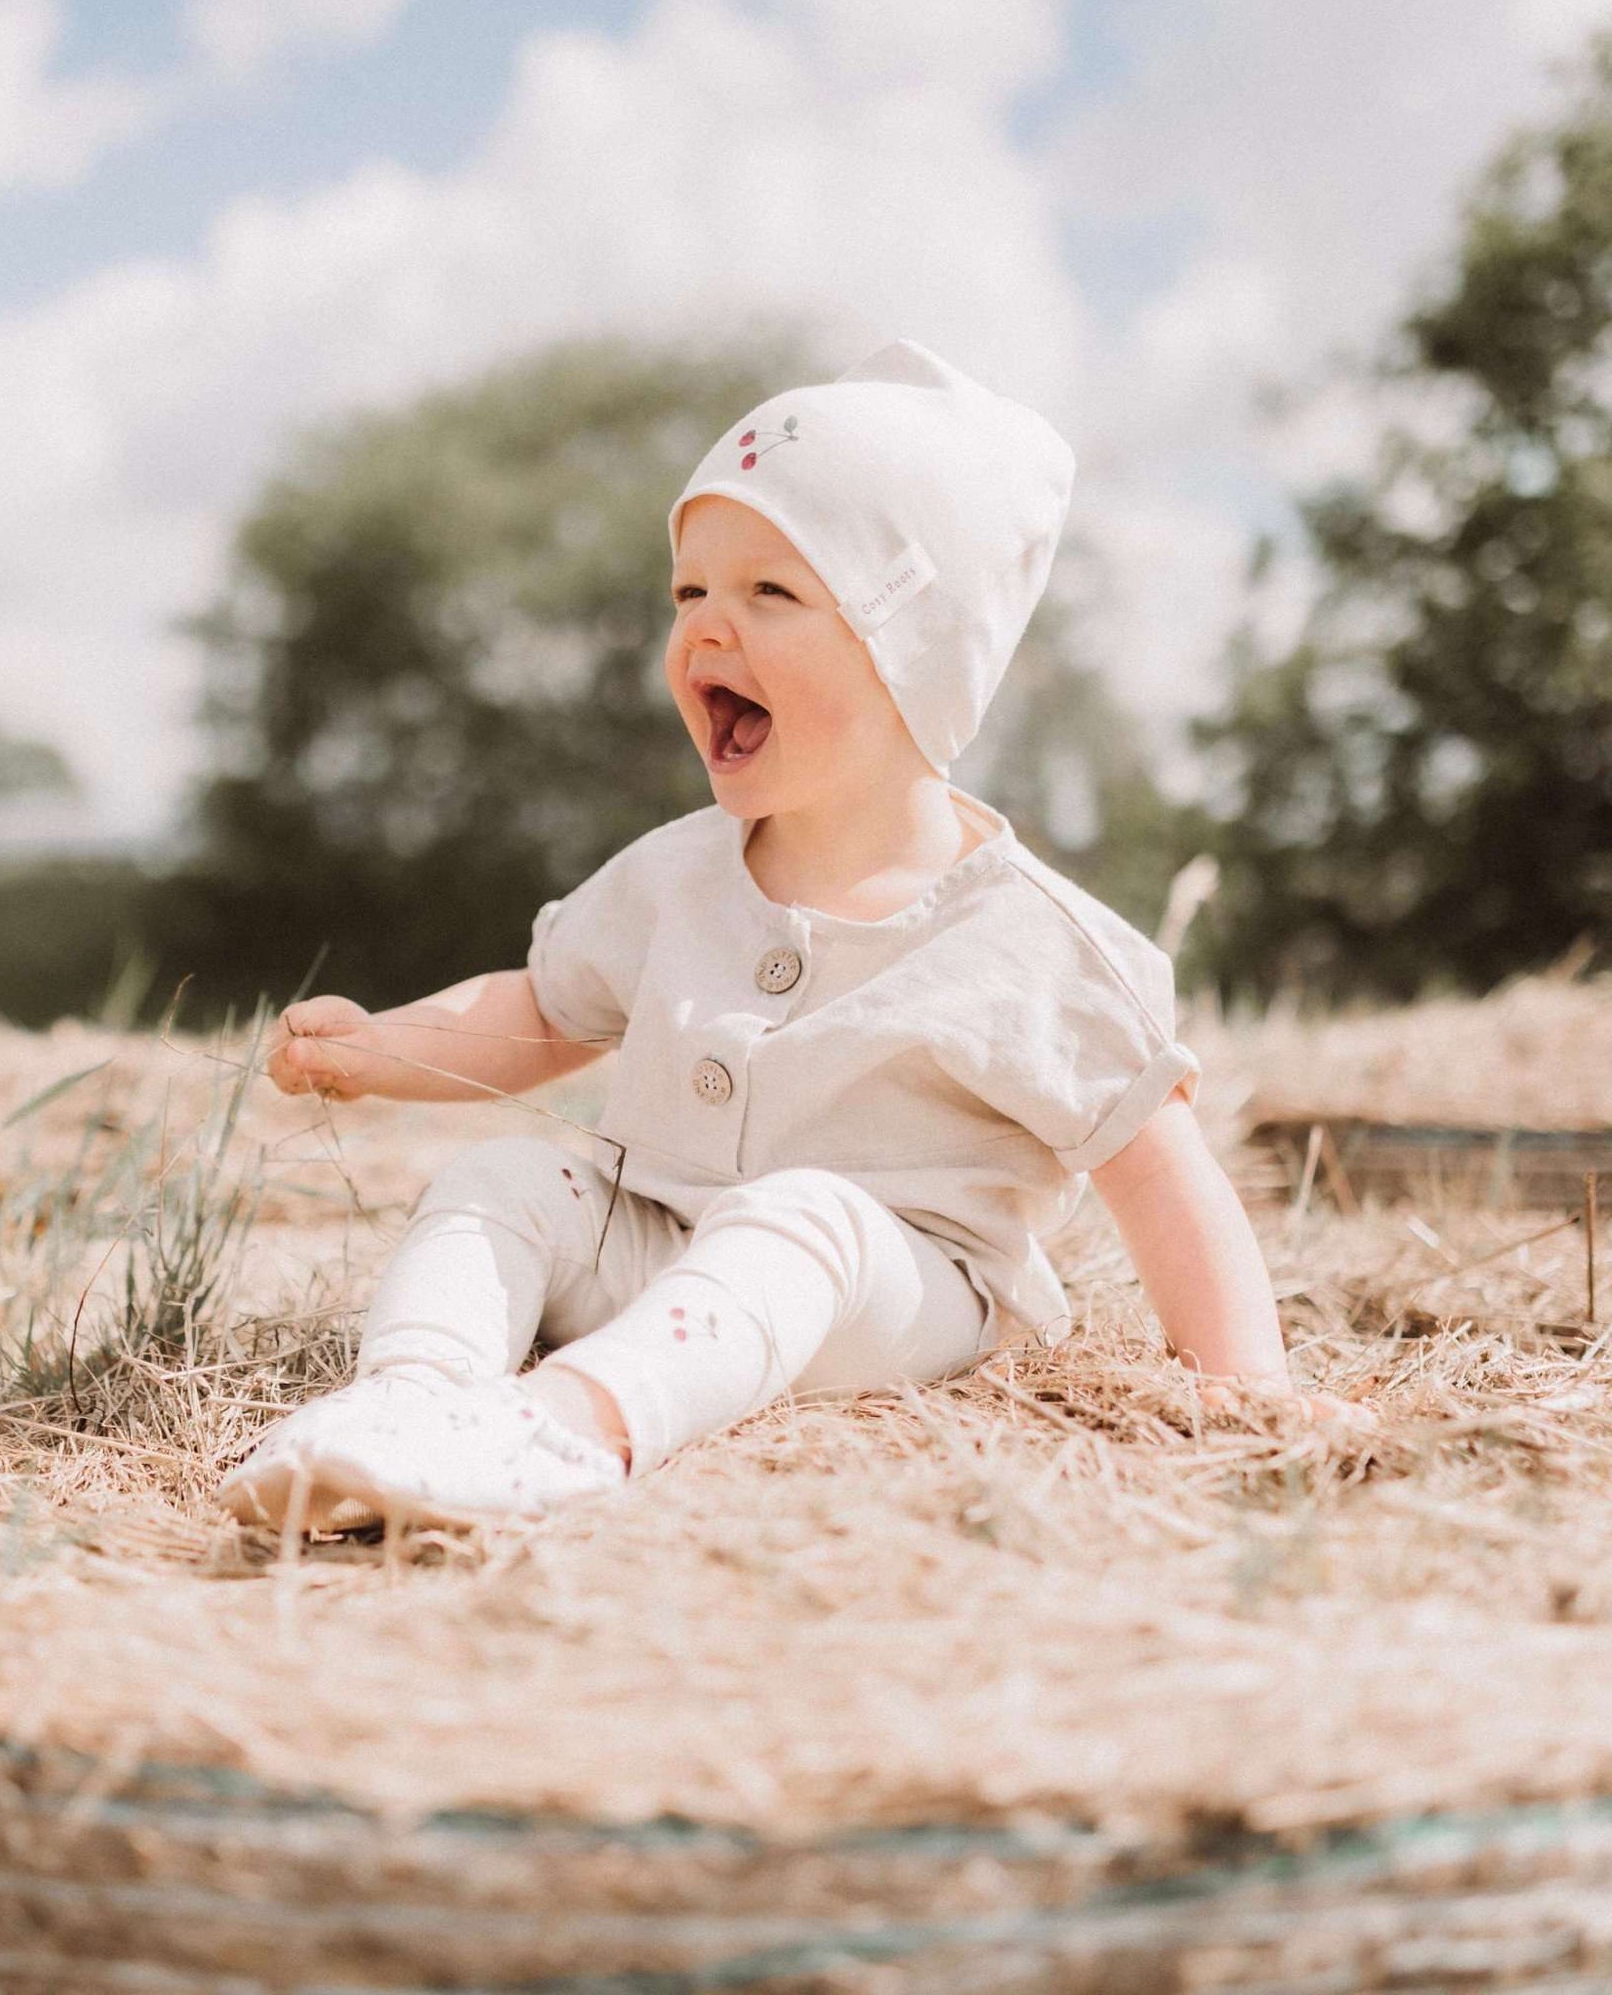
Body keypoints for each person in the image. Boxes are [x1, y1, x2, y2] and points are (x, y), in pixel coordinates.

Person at [220, 339, 1349, 1537]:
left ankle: (554, 1429)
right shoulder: (674, 874)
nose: (707, 627)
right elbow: (543, 1009)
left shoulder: (1026, 939)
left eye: (770, 593)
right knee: (503, 1176)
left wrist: (1251, 1390)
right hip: (662, 1245)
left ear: (911, 652)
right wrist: (382, 1046)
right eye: (688, 591)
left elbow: (1162, 1177)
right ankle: (410, 1404)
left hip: (899, 1291)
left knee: (799, 1216)